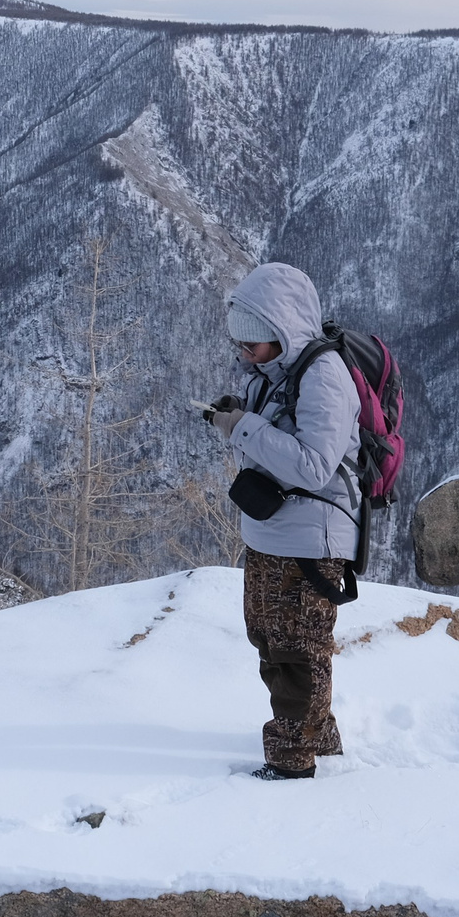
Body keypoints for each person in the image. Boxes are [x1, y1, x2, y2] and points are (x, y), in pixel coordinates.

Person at [205, 262, 358, 781]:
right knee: (270, 639)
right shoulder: (272, 376)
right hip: (273, 528)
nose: (244, 352)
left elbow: (315, 467)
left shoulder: (324, 376)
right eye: (239, 342)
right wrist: (236, 414)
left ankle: (292, 761)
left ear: (283, 330)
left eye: (253, 342)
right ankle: (323, 739)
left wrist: (243, 427)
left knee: (295, 649)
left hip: (312, 536)